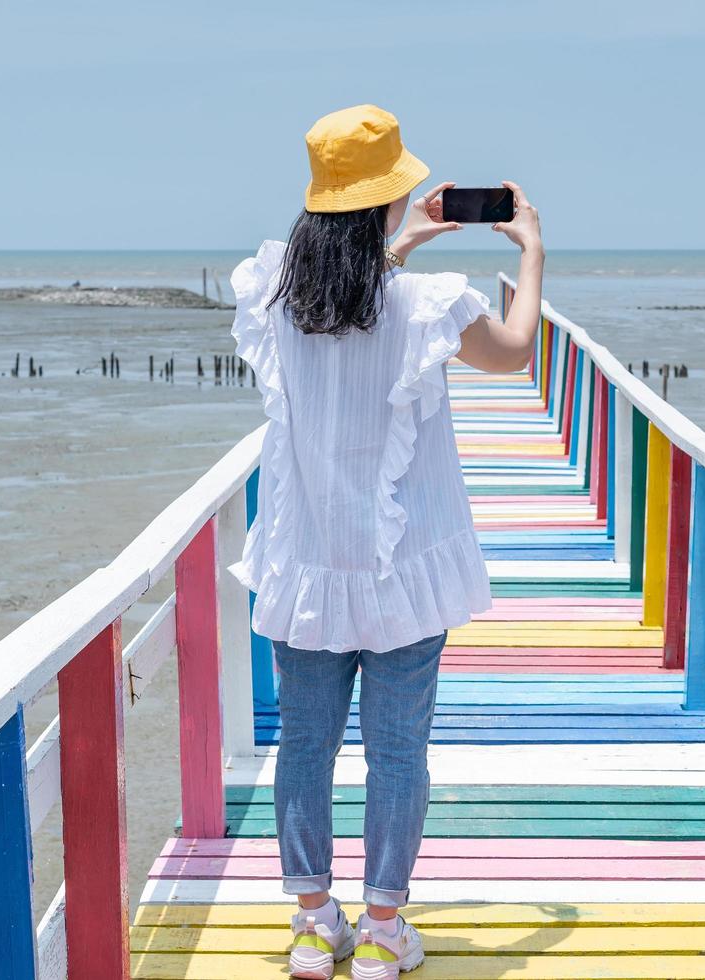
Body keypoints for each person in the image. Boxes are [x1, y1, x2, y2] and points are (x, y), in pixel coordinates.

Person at [228, 104, 544, 979]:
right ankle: (379, 930)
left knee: (303, 745)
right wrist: (530, 251)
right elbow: (514, 351)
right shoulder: (425, 306)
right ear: (386, 202)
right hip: (403, 568)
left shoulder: (275, 297)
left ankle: (309, 924)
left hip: (307, 567)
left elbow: (349, 292)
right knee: (398, 750)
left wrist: (401, 238)